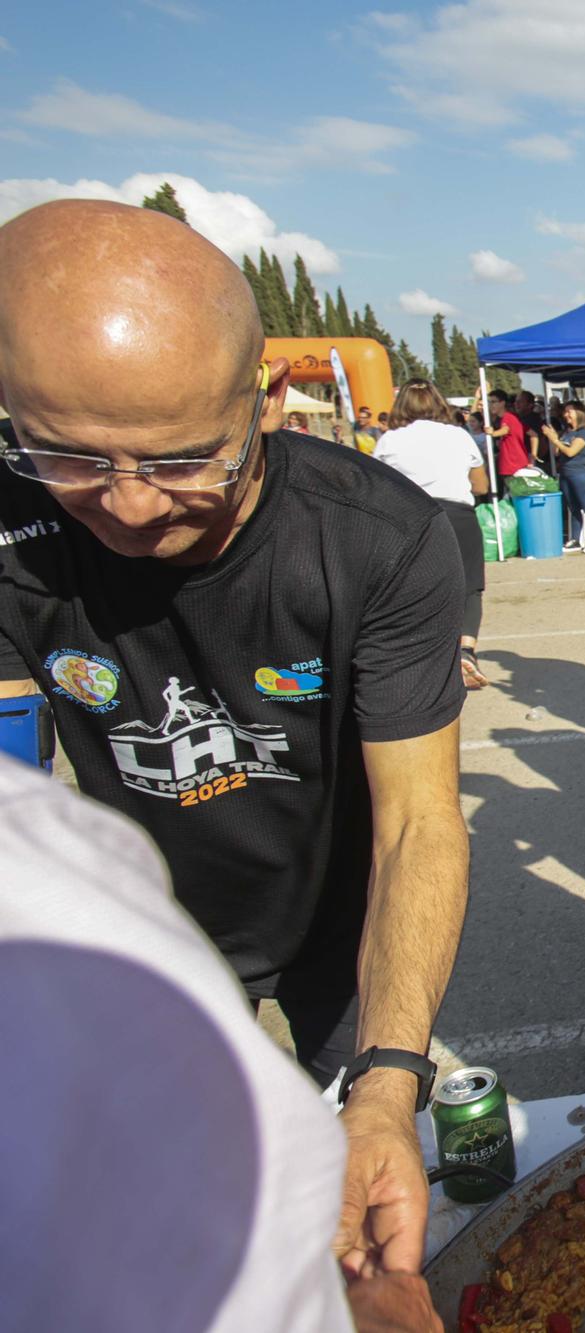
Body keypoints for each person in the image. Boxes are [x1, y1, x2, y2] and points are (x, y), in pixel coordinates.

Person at [0, 200, 469, 1283]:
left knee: (359, 1209)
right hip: (142, 931)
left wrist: (387, 1084)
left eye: (178, 460)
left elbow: (417, 822)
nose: (123, 506)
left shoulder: (376, 538)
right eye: (66, 455)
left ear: (265, 400)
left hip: (336, 927)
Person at [1, 758, 444, 1332]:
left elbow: (419, 820)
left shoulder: (35, 841)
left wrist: (384, 1092)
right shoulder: (38, 870)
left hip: (327, 941)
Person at [372, 379, 497, 688]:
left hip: (409, 516)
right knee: (469, 587)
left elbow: (374, 487)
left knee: (412, 587)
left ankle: (424, 655)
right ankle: (466, 651)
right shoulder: (458, 435)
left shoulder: (389, 440)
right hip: (457, 514)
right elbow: (481, 486)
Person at [544, 400, 585, 553]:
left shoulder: (584, 433)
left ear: (579, 413)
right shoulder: (568, 432)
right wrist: (555, 438)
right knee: (573, 508)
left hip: (579, 474)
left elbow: (570, 452)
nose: (566, 414)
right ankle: (575, 539)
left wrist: (555, 439)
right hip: (565, 473)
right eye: (565, 411)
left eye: (570, 411)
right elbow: (557, 452)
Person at [487, 388, 530, 479]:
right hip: (514, 463)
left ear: (502, 403)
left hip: (512, 465)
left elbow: (505, 430)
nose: (491, 405)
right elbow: (533, 434)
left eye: (493, 402)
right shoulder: (511, 418)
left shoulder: (508, 417)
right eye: (489, 402)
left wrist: (493, 433)